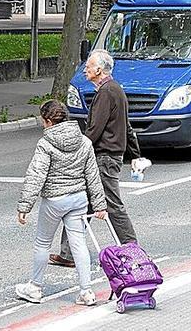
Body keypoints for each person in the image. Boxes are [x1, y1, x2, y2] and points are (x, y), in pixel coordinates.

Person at [50, 49, 140, 268]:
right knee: (84, 204)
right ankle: (69, 252)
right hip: (110, 156)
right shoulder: (115, 89)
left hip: (104, 157)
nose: (86, 70)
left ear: (99, 70)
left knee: (110, 204)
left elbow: (94, 130)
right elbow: (126, 126)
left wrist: (74, 153)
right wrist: (136, 154)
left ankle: (133, 249)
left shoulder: (106, 93)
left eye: (89, 66)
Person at [15, 100, 107, 305]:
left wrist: (25, 205)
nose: (42, 125)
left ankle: (35, 288)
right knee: (79, 244)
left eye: (43, 121)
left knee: (42, 243)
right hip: (78, 199)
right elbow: (92, 175)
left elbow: (36, 175)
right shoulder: (84, 141)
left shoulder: (46, 144)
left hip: (54, 200)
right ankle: (86, 292)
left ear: (48, 121)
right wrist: (100, 204)